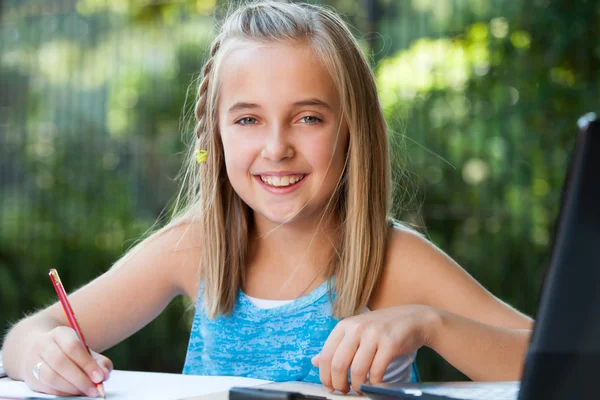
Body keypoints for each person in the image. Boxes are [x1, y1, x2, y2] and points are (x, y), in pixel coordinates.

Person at [1, 1, 534, 397]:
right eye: (249, 119)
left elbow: (555, 361)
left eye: (308, 118)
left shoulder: (392, 259)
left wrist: (428, 323)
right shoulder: (195, 246)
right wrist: (43, 353)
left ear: (352, 131)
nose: (277, 147)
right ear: (215, 133)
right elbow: (25, 338)